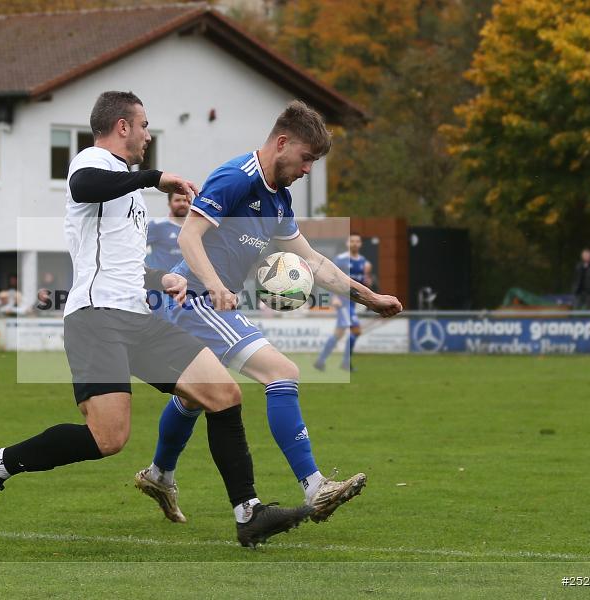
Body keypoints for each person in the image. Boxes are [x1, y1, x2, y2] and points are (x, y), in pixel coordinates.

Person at [0, 91, 311, 547]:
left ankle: (249, 514)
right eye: (144, 126)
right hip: (96, 318)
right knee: (109, 438)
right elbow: (83, 187)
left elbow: (116, 259)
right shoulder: (93, 162)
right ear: (122, 127)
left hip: (137, 315)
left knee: (223, 393)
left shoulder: (127, 190)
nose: (148, 135)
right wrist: (153, 178)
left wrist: (162, 276)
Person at [134, 100, 403, 526]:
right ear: (282, 143)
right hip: (195, 300)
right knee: (282, 372)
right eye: (306, 158)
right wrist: (219, 286)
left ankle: (159, 474)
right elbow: (190, 238)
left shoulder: (278, 200)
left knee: (193, 398)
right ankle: (315, 485)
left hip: (208, 301)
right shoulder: (235, 178)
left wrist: (370, 297)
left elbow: (313, 262)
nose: (308, 169)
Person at [314, 233, 373, 372]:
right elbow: (331, 279)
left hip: (353, 303)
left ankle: (320, 361)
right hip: (343, 302)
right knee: (356, 330)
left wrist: (367, 283)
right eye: (352, 241)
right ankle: (346, 363)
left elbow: (362, 282)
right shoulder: (340, 260)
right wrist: (333, 297)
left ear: (360, 244)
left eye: (357, 241)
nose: (355, 243)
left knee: (339, 333)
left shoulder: (364, 262)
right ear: (347, 243)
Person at [146, 191, 192, 271]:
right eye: (177, 200)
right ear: (169, 203)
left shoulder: (194, 227)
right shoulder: (157, 225)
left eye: (185, 200)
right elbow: (137, 248)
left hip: (186, 280)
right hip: (161, 280)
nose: (182, 204)